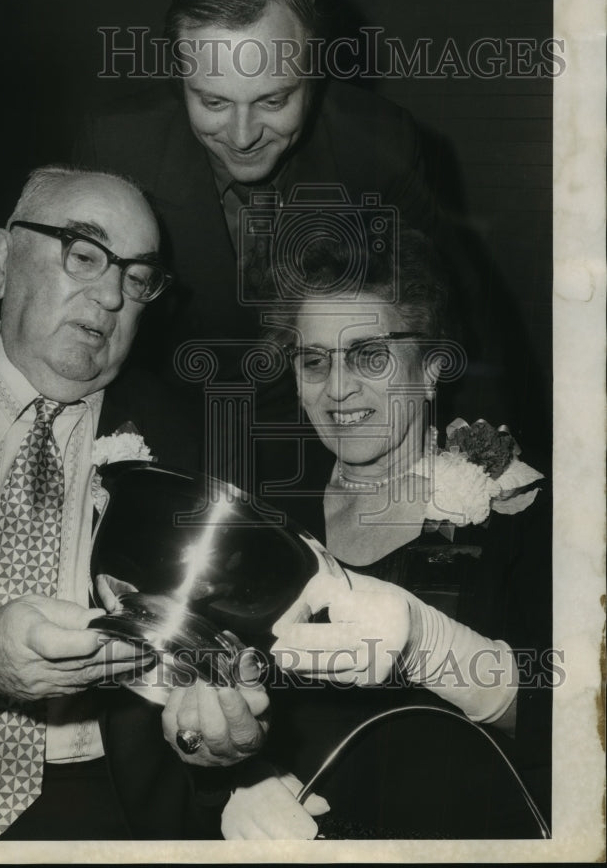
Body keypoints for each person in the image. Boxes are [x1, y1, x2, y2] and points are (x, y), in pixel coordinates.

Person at [0, 166, 268, 842]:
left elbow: (235, 665)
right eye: (84, 254)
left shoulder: (203, 445)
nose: (110, 294)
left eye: (138, 278)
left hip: (109, 812)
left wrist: (217, 736)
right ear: (1, 261)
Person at [220, 225, 551, 839]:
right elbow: (215, 687)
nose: (338, 388)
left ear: (430, 370)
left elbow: (581, 722)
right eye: (314, 361)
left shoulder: (521, 513)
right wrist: (237, 776)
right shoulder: (264, 519)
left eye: (370, 355)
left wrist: (433, 646)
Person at [75, 0, 434, 386]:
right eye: (213, 101)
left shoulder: (382, 142)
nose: (243, 137)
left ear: (315, 76)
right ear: (180, 78)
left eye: (273, 100)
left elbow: (428, 319)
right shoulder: (115, 147)